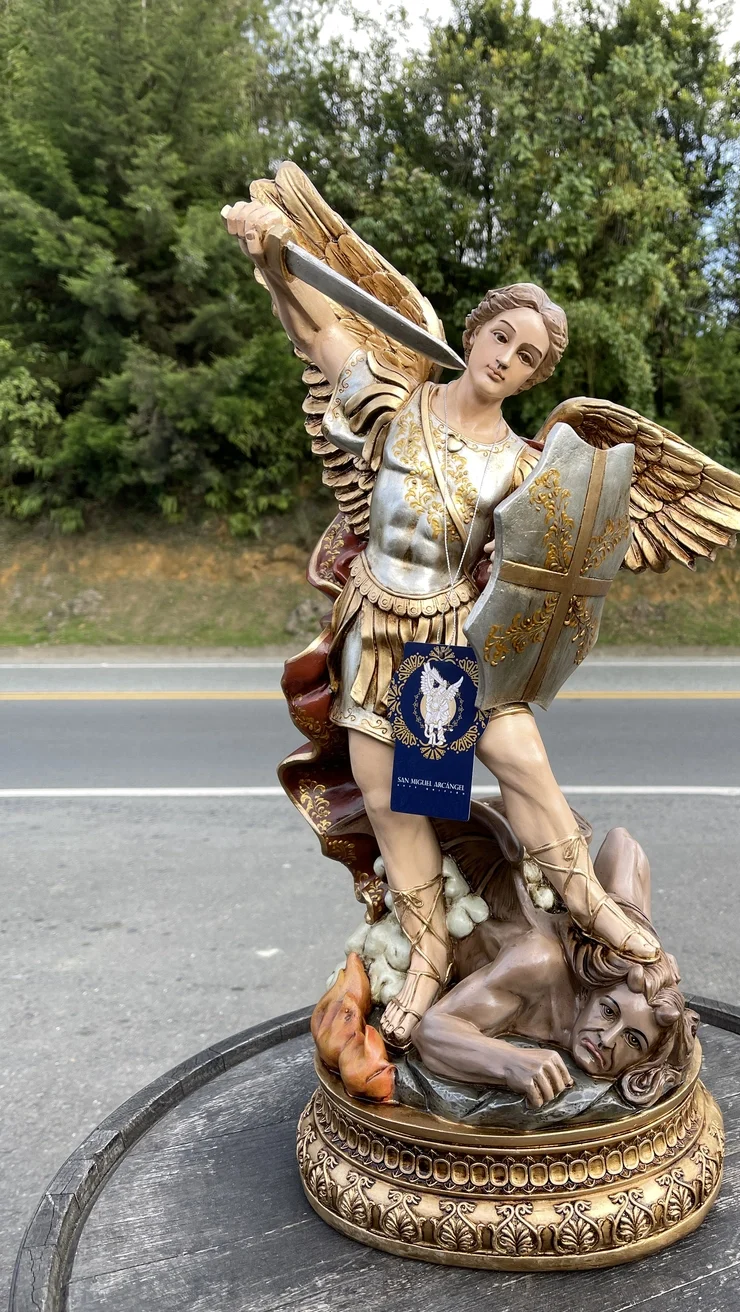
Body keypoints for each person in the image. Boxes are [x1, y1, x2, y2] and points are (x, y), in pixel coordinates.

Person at [224, 198, 660, 1048]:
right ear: (475, 331)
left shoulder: (525, 466)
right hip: (373, 622)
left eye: (527, 357)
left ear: (533, 379)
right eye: (502, 337)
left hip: (450, 640)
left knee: (518, 754)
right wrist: (273, 258)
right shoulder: (397, 402)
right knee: (389, 797)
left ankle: (591, 903)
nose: (507, 358)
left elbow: (561, 565)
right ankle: (427, 951)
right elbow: (318, 330)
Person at [413, 827, 698, 1109]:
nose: (607, 1039)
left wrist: (652, 960)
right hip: (451, 911)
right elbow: (432, 1029)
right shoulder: (539, 962)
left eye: (633, 1039)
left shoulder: (626, 998)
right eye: (609, 1011)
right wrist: (510, 1062)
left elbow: (625, 843)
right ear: (591, 989)